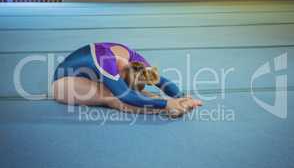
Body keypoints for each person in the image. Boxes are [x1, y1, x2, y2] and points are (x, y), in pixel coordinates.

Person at [52, 42, 202, 118]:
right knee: (113, 97)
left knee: (129, 93)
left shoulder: (138, 62)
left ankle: (155, 100)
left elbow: (161, 81)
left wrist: (181, 97)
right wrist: (167, 103)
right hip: (64, 83)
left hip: (92, 76)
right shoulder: (106, 63)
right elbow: (126, 96)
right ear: (120, 74)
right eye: (123, 83)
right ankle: (165, 109)